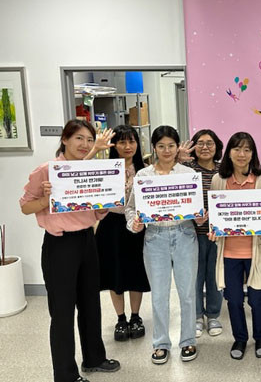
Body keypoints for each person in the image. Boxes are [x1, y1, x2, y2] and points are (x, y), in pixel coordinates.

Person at [20, 119, 120, 382]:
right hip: (60, 245)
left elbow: (96, 211)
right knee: (63, 311)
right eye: (79, 138)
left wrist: (107, 199)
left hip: (87, 240)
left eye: (89, 140)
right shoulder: (47, 171)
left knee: (90, 304)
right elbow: (25, 206)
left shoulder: (91, 171)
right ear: (64, 139)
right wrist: (47, 198)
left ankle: (94, 358)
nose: (84, 144)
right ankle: (65, 374)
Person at [126, 125, 206, 365]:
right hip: (155, 237)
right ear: (154, 148)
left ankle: (188, 340)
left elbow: (198, 209)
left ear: (177, 146)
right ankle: (161, 343)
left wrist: (201, 217)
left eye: (171, 145)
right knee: (159, 295)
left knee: (187, 293)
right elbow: (131, 208)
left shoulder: (188, 174)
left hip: (184, 234)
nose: (167, 150)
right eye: (161, 146)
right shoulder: (143, 176)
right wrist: (134, 223)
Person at [209, 132, 261, 360]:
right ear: (229, 152)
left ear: (253, 154)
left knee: (257, 299)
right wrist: (214, 230)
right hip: (229, 253)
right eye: (237, 149)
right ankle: (239, 338)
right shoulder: (219, 180)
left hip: (256, 250)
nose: (242, 154)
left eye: (247, 149)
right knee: (234, 299)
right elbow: (216, 217)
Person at [95, 125, 150, 342]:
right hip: (111, 226)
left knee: (136, 271)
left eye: (132, 141)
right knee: (114, 273)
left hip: (137, 226)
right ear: (114, 145)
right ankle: (121, 318)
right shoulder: (104, 170)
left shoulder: (145, 170)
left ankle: (136, 316)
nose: (128, 146)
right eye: (122, 142)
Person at [179, 129, 225, 337]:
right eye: (200, 143)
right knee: (194, 277)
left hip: (218, 234)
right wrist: (178, 160)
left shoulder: (224, 170)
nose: (205, 147)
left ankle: (213, 315)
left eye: (210, 143)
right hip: (191, 233)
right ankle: (197, 316)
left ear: (217, 147)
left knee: (215, 276)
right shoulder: (186, 169)